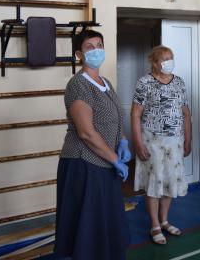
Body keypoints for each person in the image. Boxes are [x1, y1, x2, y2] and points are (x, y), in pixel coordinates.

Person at [54, 30, 130, 260]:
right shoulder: (78, 85)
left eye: (99, 45)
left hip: (105, 163)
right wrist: (115, 159)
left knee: (106, 224)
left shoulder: (105, 83)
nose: (97, 50)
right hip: (84, 164)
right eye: (90, 47)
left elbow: (115, 116)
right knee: (88, 230)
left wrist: (123, 140)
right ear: (79, 54)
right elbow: (86, 133)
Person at [132, 46, 192, 245]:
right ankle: (155, 225)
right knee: (154, 182)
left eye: (171, 57)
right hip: (152, 141)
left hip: (175, 141)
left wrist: (188, 139)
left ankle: (165, 220)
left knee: (169, 181)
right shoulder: (144, 82)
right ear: (155, 62)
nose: (169, 62)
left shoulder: (179, 82)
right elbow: (135, 114)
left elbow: (186, 113)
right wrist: (137, 142)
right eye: (165, 59)